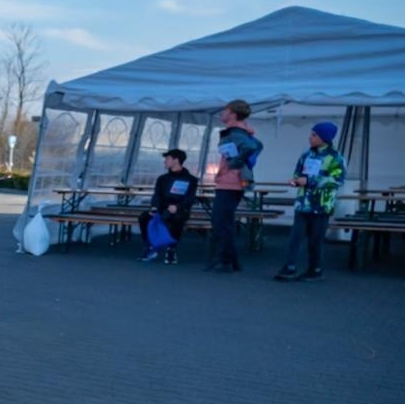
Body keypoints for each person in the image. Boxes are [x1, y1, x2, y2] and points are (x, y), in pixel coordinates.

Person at [274, 120, 347, 282]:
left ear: (324, 137)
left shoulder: (335, 157)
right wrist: (295, 180)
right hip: (303, 204)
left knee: (315, 240)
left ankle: (315, 269)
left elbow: (338, 179)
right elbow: (298, 172)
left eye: (314, 135)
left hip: (321, 206)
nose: (310, 138)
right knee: (295, 237)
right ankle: (289, 267)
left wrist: (311, 182)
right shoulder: (306, 154)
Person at [205, 99, 262, 272]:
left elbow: (252, 147)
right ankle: (231, 260)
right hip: (230, 182)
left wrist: (234, 163)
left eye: (225, 110)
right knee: (225, 222)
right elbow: (257, 145)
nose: (222, 113)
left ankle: (226, 259)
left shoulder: (235, 132)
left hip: (230, 183)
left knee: (221, 222)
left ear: (233, 114)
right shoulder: (240, 131)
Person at [137, 149, 198, 264]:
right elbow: (157, 195)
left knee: (176, 218)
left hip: (180, 209)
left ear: (176, 160)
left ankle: (171, 248)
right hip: (161, 208)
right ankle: (150, 245)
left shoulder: (191, 180)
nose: (165, 161)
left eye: (167, 159)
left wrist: (178, 207)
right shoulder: (162, 179)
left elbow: (190, 198)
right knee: (144, 217)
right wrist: (154, 207)